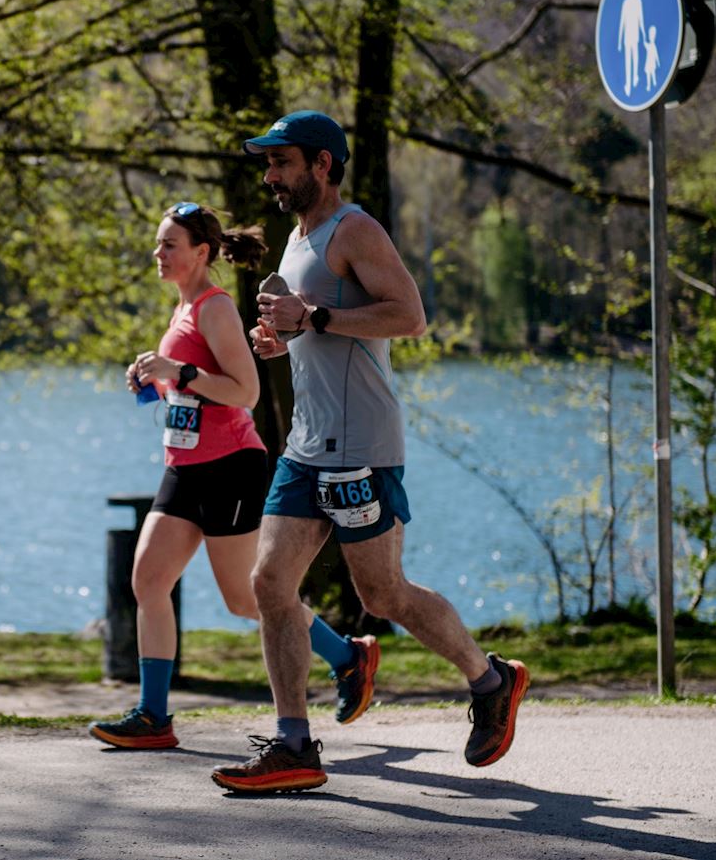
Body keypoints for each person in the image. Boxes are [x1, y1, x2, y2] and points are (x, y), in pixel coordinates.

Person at [209, 111, 529, 793]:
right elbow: (316, 328)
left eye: (282, 162)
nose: (269, 175)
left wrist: (316, 318)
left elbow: (409, 316)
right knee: (269, 584)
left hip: (361, 446)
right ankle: (294, 742)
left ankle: (491, 679)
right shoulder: (298, 240)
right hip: (306, 445)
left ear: (322, 163)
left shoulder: (354, 230)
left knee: (382, 593)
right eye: (266, 164)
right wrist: (286, 337)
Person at [88, 201, 380, 750]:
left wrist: (180, 371)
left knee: (247, 601)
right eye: (158, 244)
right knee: (148, 581)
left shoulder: (215, 307)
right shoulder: (183, 309)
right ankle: (154, 716)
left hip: (229, 468)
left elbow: (243, 392)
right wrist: (156, 381)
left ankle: (348, 656)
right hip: (184, 469)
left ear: (201, 253)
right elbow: (195, 386)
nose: (158, 253)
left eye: (169, 245)